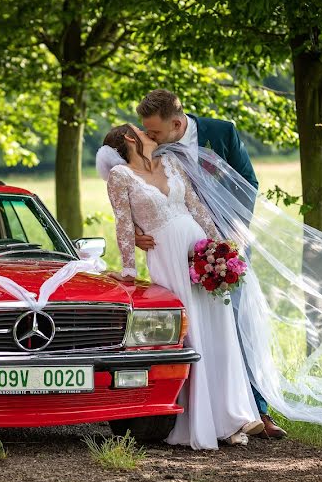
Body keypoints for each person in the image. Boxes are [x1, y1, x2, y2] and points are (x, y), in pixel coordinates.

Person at [100, 123, 264, 450]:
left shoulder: (172, 165)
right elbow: (123, 224)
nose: (152, 134)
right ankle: (206, 422)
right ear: (131, 140)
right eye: (143, 131)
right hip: (166, 257)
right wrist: (129, 270)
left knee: (219, 329)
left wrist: (220, 247)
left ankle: (234, 415)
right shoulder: (120, 176)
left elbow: (196, 207)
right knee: (194, 334)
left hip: (198, 249)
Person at [134, 89, 286, 440]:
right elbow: (133, 186)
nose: (149, 137)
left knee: (237, 320)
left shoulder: (222, 133)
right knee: (190, 323)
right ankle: (194, 412)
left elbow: (248, 185)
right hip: (177, 247)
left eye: (155, 132)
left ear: (176, 123)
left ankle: (257, 410)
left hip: (225, 244)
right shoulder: (148, 143)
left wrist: (228, 239)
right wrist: (139, 229)